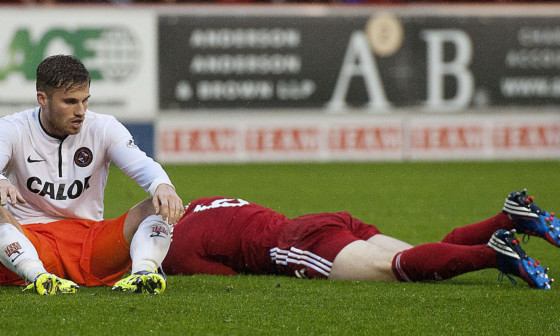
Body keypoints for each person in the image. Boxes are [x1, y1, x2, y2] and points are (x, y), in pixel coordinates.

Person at [0, 54, 184, 295]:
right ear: (42, 99)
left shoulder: (103, 127)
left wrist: (163, 186)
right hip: (30, 241)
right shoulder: (13, 128)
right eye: (70, 102)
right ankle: (39, 276)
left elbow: (142, 164)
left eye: (85, 101)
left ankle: (143, 273)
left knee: (158, 204)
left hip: (92, 247)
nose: (81, 111)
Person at [162, 189, 558, 290]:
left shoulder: (172, 250)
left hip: (302, 243)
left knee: (396, 270)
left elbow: (226, 277)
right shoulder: (197, 203)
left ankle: (496, 256)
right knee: (422, 254)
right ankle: (509, 216)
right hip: (325, 220)